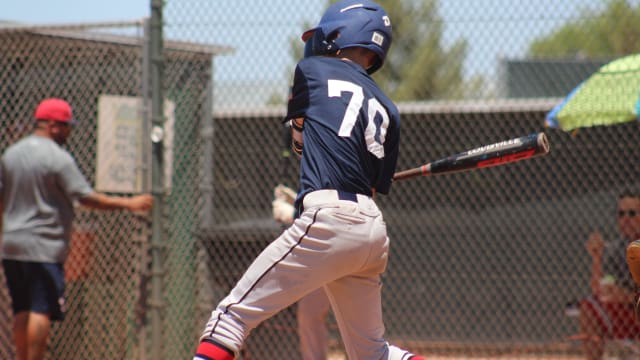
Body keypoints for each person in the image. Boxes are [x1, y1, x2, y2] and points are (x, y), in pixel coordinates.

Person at [194, 1, 425, 359]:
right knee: (373, 354)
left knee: (230, 318)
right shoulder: (388, 108)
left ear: (339, 33)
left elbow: (301, 141)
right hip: (372, 232)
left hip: (329, 219)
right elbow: (374, 186)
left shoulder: (313, 69)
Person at [0, 98, 154, 360]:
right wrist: (128, 203)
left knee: (21, 309)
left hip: (13, 244)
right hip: (43, 246)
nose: (69, 131)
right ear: (52, 125)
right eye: (66, 125)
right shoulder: (57, 158)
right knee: (41, 309)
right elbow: (85, 197)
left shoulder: (11, 154)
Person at [273, 184, 332, 360]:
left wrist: (292, 214)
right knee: (310, 315)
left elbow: (331, 213)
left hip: (339, 243)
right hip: (327, 251)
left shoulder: (338, 161)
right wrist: (300, 203)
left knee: (357, 327)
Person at [580, 191, 640, 360]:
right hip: (624, 313)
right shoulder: (616, 248)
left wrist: (626, 295)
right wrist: (597, 257)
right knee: (588, 306)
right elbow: (598, 288)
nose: (625, 219)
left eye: (632, 213)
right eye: (621, 214)